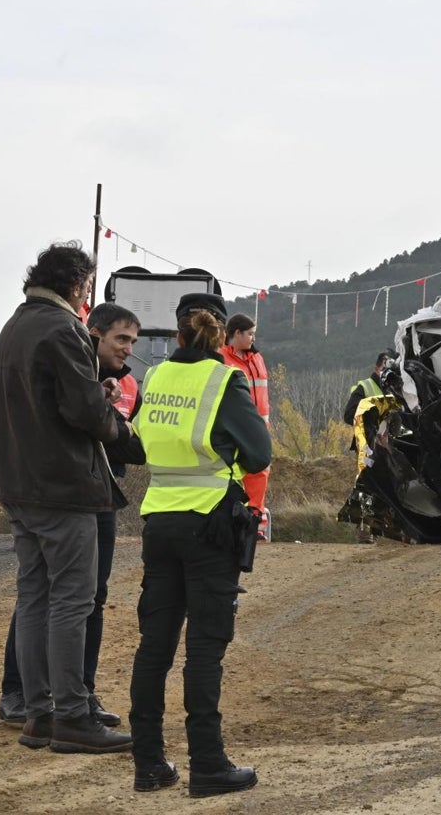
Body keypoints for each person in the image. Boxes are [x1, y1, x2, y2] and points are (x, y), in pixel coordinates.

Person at [0, 242, 134, 754]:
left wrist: (94, 397)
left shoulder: (14, 326)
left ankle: (37, 713)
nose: (87, 298)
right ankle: (72, 716)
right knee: (73, 601)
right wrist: (107, 407)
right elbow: (85, 416)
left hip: (18, 484)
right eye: (88, 288)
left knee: (34, 599)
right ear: (74, 285)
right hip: (63, 487)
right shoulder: (62, 328)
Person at [129, 293, 271, 797]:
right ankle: (207, 765)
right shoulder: (224, 379)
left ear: (178, 334)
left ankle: (149, 764)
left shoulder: (156, 377)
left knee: (154, 649)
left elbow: (136, 442)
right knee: (204, 652)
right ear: (217, 332)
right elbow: (259, 454)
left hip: (159, 523)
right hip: (210, 527)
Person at [219, 313, 272, 540]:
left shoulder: (256, 358)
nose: (253, 338)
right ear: (236, 333)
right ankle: (234, 523)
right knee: (233, 474)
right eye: (249, 333)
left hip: (258, 428)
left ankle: (255, 524)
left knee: (259, 474)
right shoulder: (221, 358)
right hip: (234, 428)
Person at [343, 349, 403, 425]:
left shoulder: (397, 391)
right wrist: (375, 420)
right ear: (376, 369)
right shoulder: (364, 388)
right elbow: (349, 416)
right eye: (385, 370)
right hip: (370, 435)